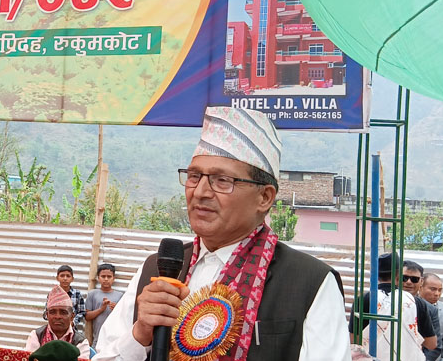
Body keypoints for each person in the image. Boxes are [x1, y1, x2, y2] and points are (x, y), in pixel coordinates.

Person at [94, 106, 350, 361]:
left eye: (222, 181)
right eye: (194, 176)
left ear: (264, 197)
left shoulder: (310, 282)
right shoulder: (156, 271)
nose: (200, 192)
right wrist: (141, 334)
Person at [353, 253, 430, 361]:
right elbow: (431, 343)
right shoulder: (415, 302)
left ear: (374, 274)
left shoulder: (363, 299)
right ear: (398, 275)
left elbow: (353, 339)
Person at [25, 286, 90, 357]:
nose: (58, 316)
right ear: (47, 315)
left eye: (63, 312)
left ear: (72, 316)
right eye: (52, 312)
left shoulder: (81, 342)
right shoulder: (36, 336)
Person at [403, 260, 439, 351]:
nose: (409, 282)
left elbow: (433, 346)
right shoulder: (384, 302)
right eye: (404, 278)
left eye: (414, 279)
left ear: (421, 281)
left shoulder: (429, 309)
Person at [85, 264, 123, 348]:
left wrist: (117, 309)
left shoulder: (120, 296)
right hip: (97, 338)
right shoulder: (92, 294)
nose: (106, 279)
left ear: (113, 278)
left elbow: (124, 318)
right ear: (98, 278)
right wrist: (101, 309)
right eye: (103, 276)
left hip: (114, 338)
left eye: (109, 277)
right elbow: (87, 317)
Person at [421, 273, 443, 361]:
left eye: (440, 290)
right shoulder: (409, 305)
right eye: (432, 289)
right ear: (420, 287)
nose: (437, 294)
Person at [53, 265, 85, 338]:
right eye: (62, 276)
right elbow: (46, 313)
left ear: (72, 279)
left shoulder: (77, 294)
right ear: (57, 278)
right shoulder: (53, 294)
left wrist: (73, 322)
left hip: (72, 330)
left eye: (68, 276)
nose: (65, 278)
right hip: (55, 330)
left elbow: (82, 312)